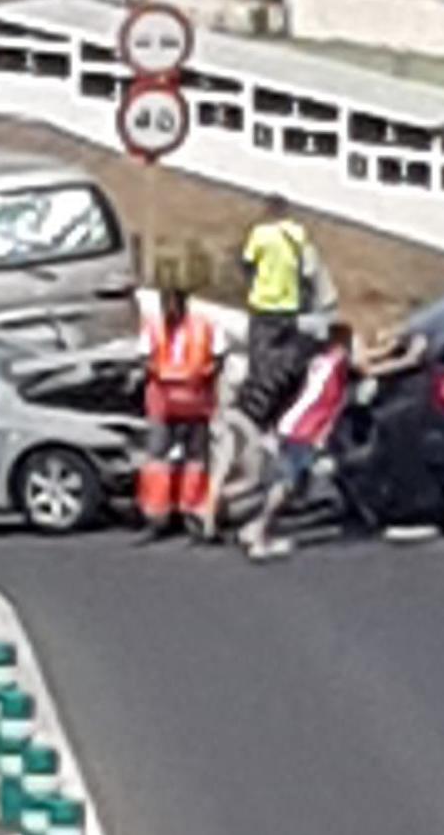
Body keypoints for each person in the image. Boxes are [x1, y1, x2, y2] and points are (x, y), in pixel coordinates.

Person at [239, 321, 355, 561]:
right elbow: (365, 367)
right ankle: (259, 531)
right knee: (286, 485)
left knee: (295, 484)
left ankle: (256, 528)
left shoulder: (319, 361)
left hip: (293, 425)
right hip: (303, 430)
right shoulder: (337, 363)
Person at [136, 286, 222, 539]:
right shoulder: (153, 326)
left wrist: (202, 376)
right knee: (158, 460)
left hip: (195, 402)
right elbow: (145, 359)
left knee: (195, 460)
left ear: (185, 304)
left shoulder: (205, 326)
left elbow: (218, 358)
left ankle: (193, 514)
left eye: (174, 304)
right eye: (166, 305)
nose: (170, 311)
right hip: (164, 403)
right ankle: (158, 516)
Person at [241, 194, 318, 408]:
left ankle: (255, 404)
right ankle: (281, 402)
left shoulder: (260, 234)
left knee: (259, 358)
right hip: (290, 306)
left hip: (264, 304)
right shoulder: (298, 234)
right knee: (282, 361)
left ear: (269, 210)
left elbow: (247, 263)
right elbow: (308, 270)